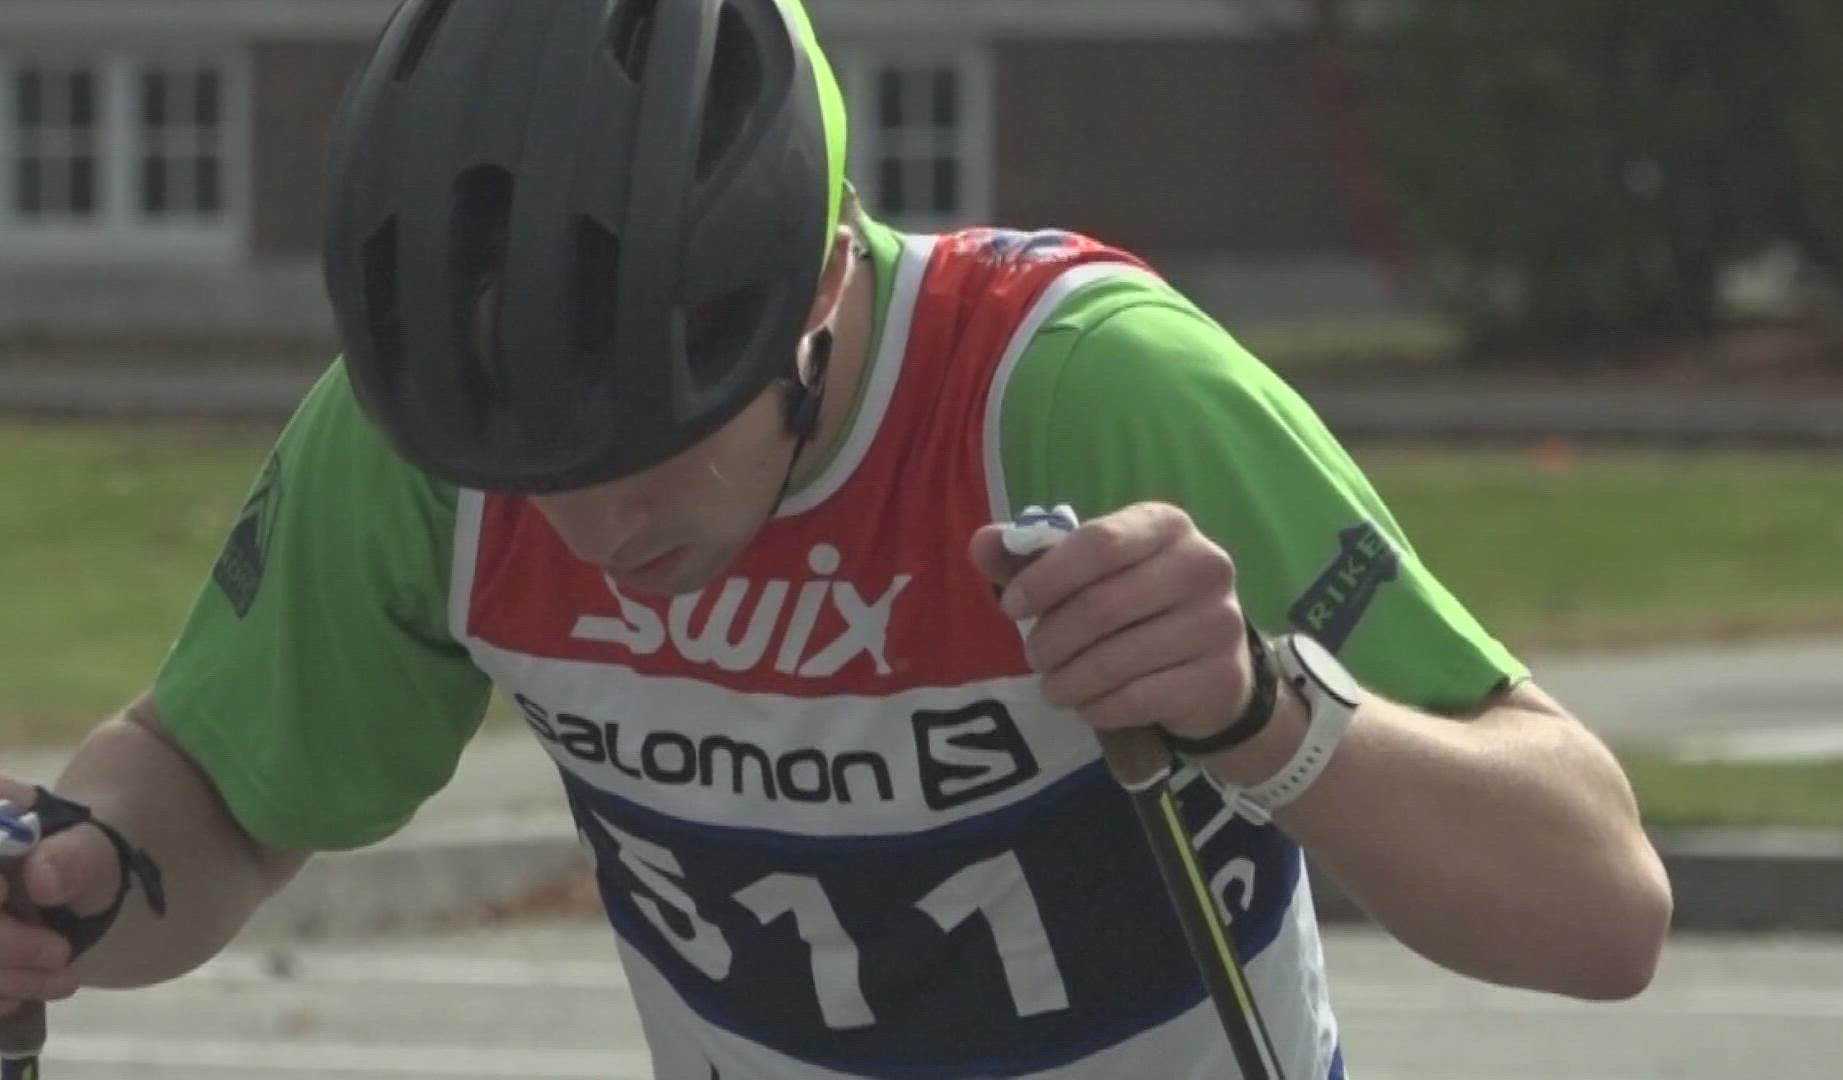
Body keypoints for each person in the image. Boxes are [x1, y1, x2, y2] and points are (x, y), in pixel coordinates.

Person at [0, 2, 1671, 1077]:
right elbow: (211, 799)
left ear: (814, 292)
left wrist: (1268, 716)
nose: (597, 525)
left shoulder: (1082, 393)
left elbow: (1601, 912)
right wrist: (66, 888)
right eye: (525, 470)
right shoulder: (422, 453)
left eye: (656, 443)